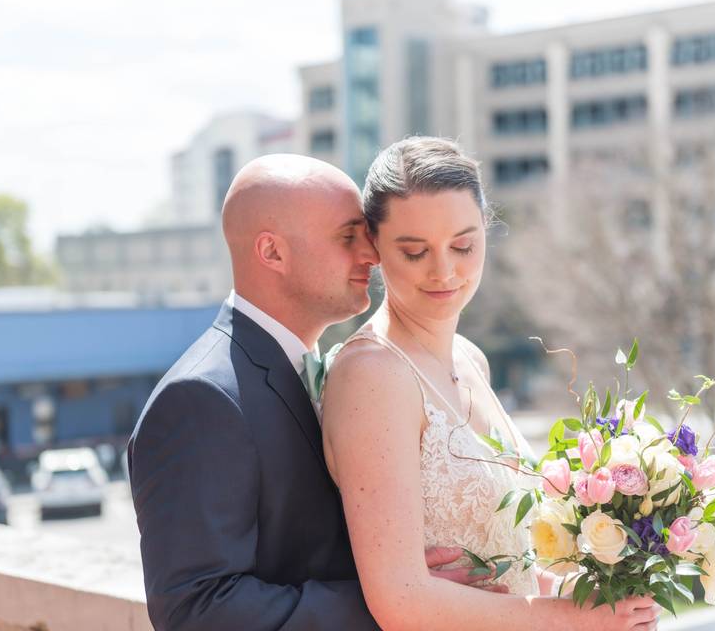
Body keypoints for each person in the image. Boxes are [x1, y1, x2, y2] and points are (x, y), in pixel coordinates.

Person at [127, 153, 503, 630]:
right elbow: (195, 609)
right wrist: (391, 601)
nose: (371, 256)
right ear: (272, 253)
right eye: (349, 237)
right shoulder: (201, 399)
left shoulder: (330, 366)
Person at [321, 137, 660, 630]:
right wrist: (570, 620)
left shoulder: (470, 358)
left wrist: (609, 601)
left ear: (485, 230)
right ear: (373, 245)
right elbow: (399, 599)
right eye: (414, 251)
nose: (444, 271)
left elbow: (513, 557)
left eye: (463, 245)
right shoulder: (373, 373)